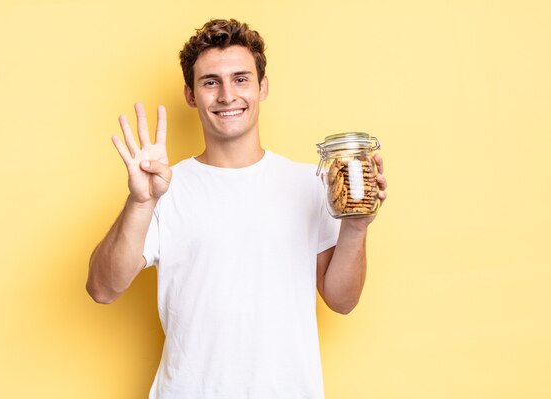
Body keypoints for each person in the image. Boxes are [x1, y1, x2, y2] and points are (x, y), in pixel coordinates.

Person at [86, 18, 388, 399]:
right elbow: (102, 288)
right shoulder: (163, 188)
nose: (227, 95)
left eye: (241, 79)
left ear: (262, 87)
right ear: (191, 95)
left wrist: (357, 228)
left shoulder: (310, 183)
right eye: (211, 82)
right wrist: (140, 201)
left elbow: (342, 300)